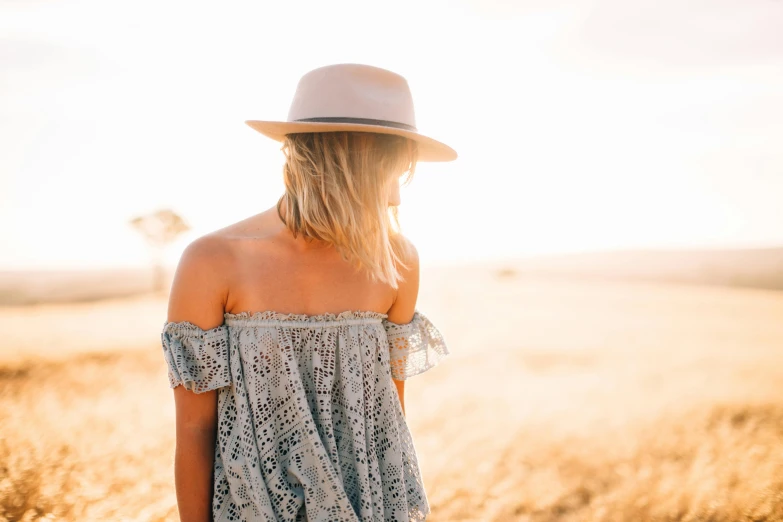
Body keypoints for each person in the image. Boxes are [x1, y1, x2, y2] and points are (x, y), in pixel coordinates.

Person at [160, 63, 457, 522]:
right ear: (334, 164)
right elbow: (196, 429)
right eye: (387, 173)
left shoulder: (397, 261)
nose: (397, 197)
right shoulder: (212, 261)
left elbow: (387, 422)